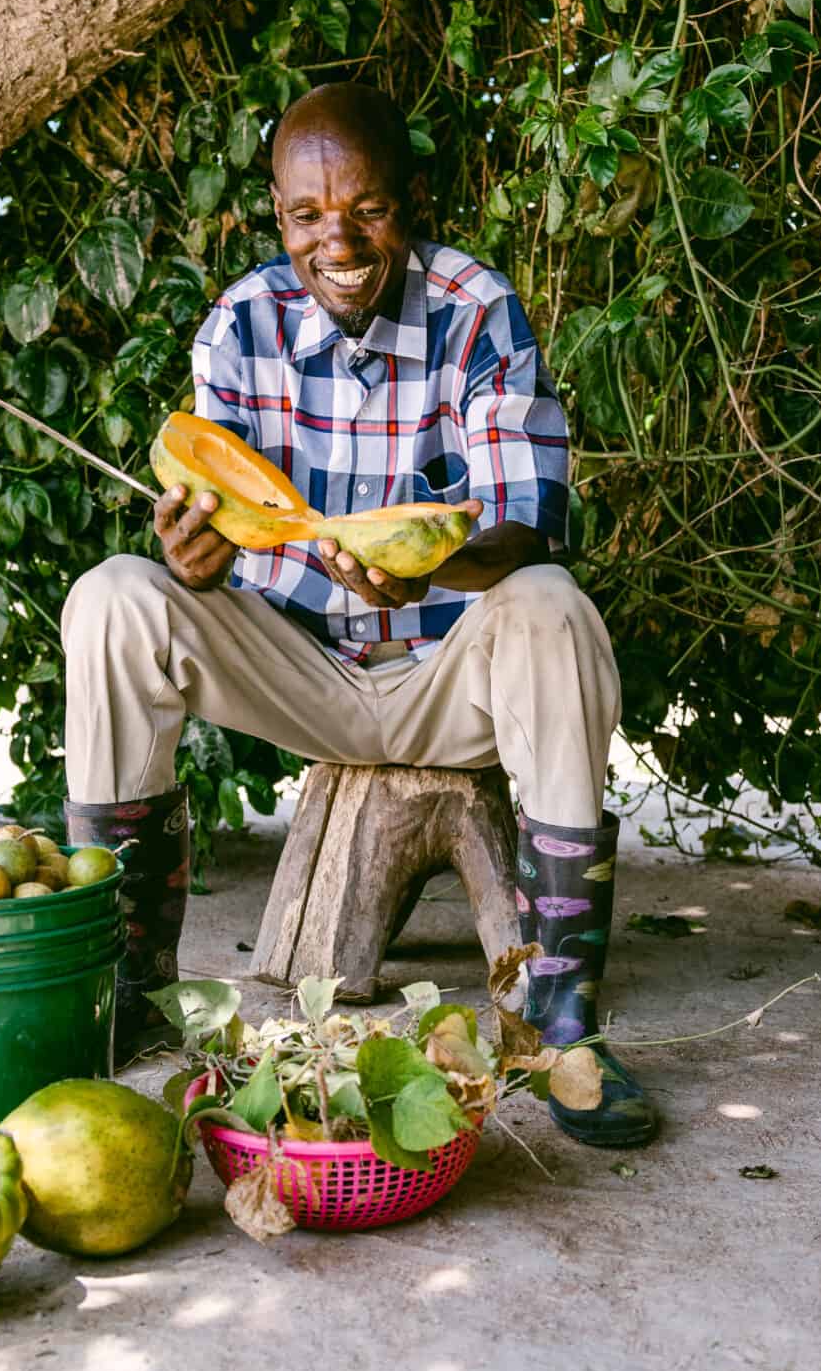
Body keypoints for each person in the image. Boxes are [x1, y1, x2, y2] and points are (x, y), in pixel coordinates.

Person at [58, 81, 657, 1148]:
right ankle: (126, 983)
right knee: (113, 598)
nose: (334, 239)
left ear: (408, 202)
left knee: (552, 607)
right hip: (298, 668)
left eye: (366, 210)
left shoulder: (475, 306)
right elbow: (216, 510)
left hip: (444, 673)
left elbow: (528, 522)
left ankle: (559, 1015)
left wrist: (431, 567)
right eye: (304, 216)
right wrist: (188, 555)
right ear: (278, 216)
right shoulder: (242, 321)